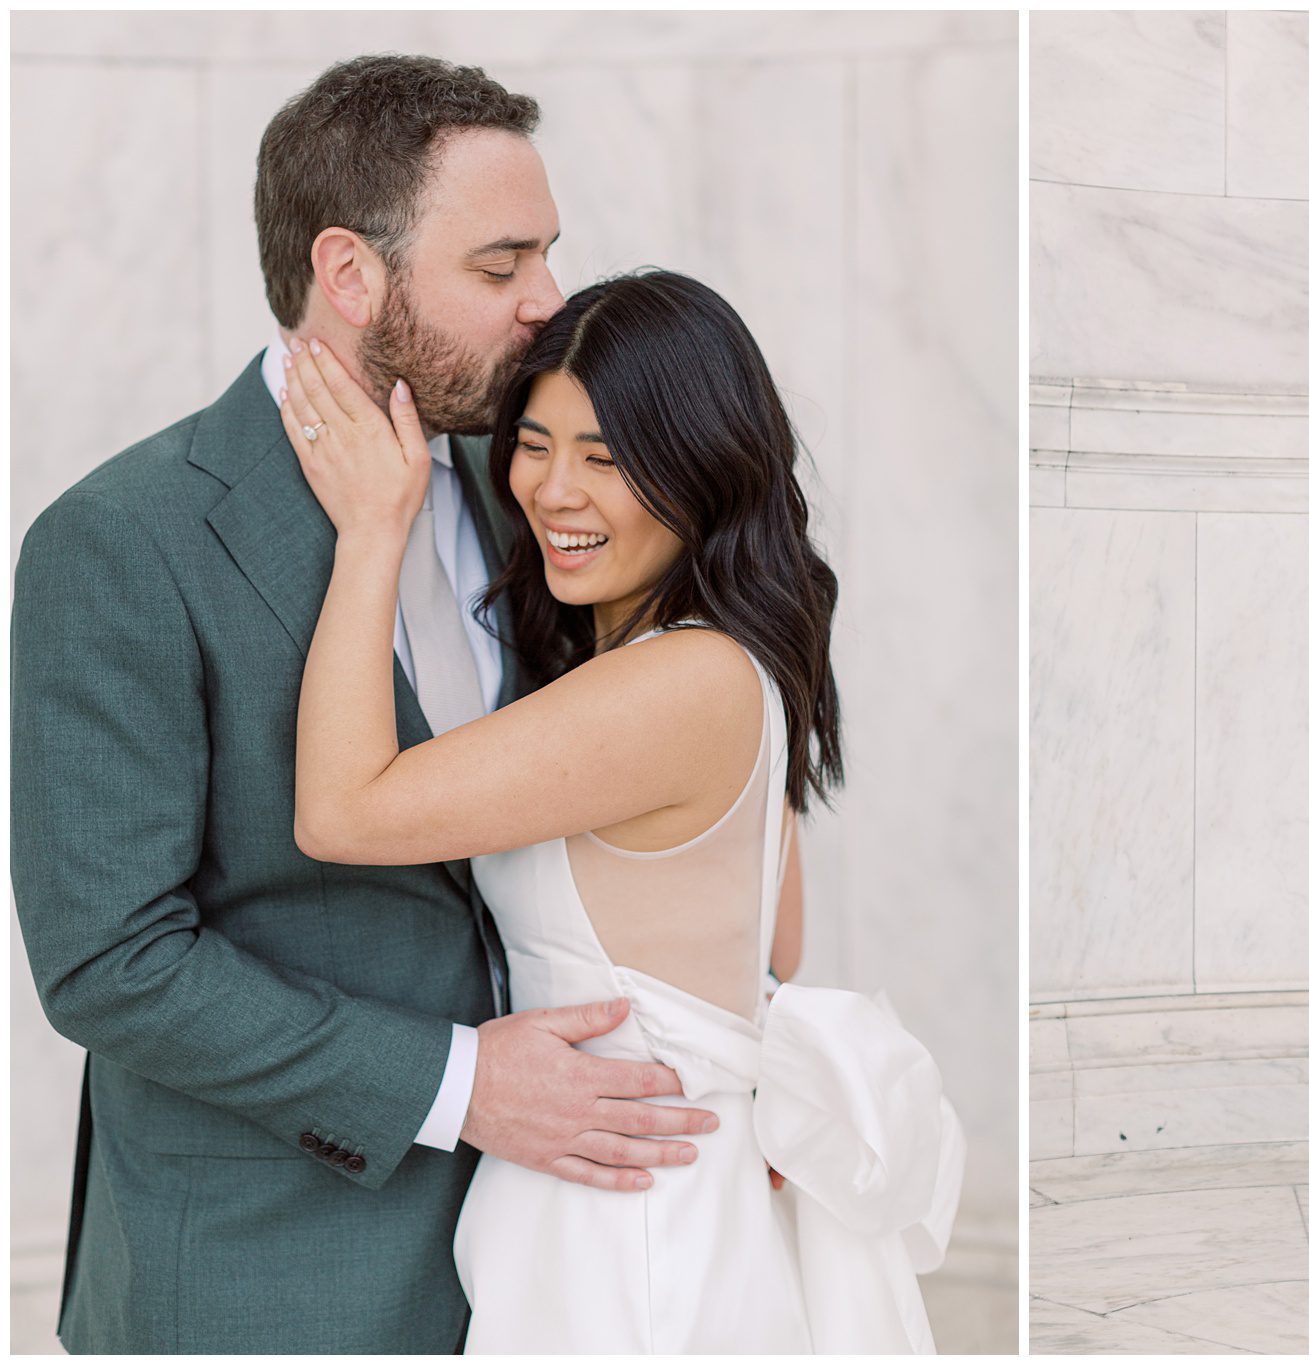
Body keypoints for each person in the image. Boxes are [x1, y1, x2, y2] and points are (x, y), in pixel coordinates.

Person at [11, 56, 716, 1352]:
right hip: (261, 1281)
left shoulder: (537, 492)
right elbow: (108, 962)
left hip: (549, 1258)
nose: (549, 306)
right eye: (501, 269)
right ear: (350, 275)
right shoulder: (118, 542)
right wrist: (459, 1086)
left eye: (549, 257)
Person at [280, 267, 960, 1352]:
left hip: (632, 1230)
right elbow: (771, 946)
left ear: (700, 470)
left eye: (606, 459)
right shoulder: (725, 664)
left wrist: (372, 533)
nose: (552, 491)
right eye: (535, 445)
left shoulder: (676, 684)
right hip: (647, 1187)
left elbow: (344, 813)